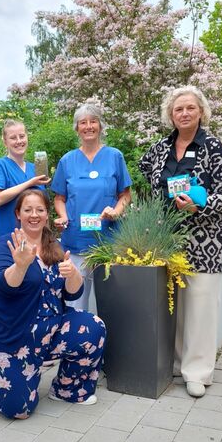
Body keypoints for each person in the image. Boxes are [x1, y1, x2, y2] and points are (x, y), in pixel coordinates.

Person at [0, 189, 106, 419]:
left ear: (47, 215)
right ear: (18, 214)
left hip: (45, 333)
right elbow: (3, 284)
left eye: (40, 210)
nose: (34, 215)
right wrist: (21, 266)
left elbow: (72, 294)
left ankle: (67, 390)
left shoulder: (55, 245)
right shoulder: (8, 243)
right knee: (20, 409)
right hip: (5, 334)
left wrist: (73, 275)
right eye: (28, 210)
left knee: (93, 327)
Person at [139, 85, 222, 398]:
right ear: (170, 114)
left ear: (201, 111)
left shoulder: (214, 146)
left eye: (190, 108)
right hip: (170, 237)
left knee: (201, 306)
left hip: (204, 240)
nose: (184, 113)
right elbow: (146, 170)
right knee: (174, 306)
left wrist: (199, 205)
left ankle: (198, 372)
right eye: (178, 109)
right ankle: (178, 364)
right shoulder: (161, 147)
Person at [51, 103, 132, 311]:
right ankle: (76, 344)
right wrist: (63, 216)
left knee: (112, 303)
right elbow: (59, 198)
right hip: (76, 241)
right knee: (75, 303)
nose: (88, 126)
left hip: (109, 241)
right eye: (83, 122)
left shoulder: (115, 156)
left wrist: (116, 211)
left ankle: (112, 343)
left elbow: (125, 195)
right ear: (77, 128)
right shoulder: (67, 160)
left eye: (93, 121)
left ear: (100, 126)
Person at [0, 119, 50, 253]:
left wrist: (48, 240)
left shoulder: (35, 169)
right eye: (13, 138)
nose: (19, 141)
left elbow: (45, 208)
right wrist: (30, 183)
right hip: (8, 241)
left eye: (22, 136)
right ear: (5, 141)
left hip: (36, 243)